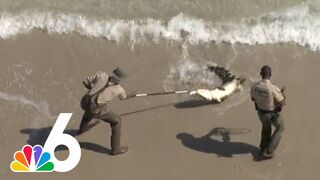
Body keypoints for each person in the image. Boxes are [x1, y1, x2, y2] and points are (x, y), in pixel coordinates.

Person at [78, 68, 132, 155]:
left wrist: (94, 91)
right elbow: (123, 98)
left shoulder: (101, 75)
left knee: (89, 111)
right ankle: (116, 149)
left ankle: (81, 130)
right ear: (121, 79)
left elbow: (86, 82)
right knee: (117, 120)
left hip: (84, 102)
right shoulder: (119, 89)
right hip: (95, 109)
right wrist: (131, 95)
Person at [250, 65, 286, 159]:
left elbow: (253, 98)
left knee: (266, 129)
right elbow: (282, 103)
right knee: (280, 127)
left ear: (260, 74)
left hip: (261, 113)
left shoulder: (254, 86)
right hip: (271, 114)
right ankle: (269, 151)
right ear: (270, 74)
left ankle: (263, 147)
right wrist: (282, 94)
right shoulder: (273, 88)